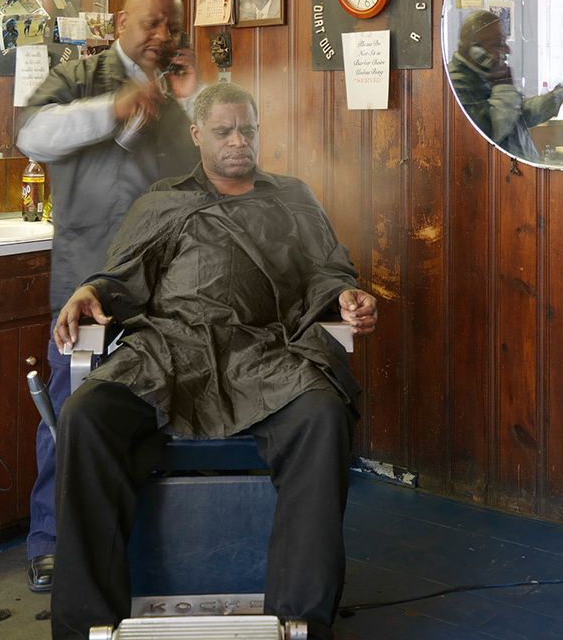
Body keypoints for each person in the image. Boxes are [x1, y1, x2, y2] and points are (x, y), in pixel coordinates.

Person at [50, 81, 377, 640]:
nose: (237, 142)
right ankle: (87, 625)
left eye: (247, 129)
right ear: (198, 134)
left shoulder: (292, 197)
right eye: (223, 131)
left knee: (322, 416)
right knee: (86, 415)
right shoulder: (164, 200)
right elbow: (122, 276)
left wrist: (346, 297)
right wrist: (91, 293)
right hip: (168, 352)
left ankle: (300, 618)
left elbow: (329, 270)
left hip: (264, 353)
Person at [15, 0, 200, 594]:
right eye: (151, 24)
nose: (162, 38)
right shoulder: (80, 75)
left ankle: (142, 541)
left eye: (171, 27)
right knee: (69, 412)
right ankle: (50, 543)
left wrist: (196, 100)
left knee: (149, 414)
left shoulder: (178, 88)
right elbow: (31, 134)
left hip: (162, 289)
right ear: (121, 21)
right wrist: (112, 108)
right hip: (85, 283)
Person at [447, 9, 563, 160]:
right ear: (477, 51)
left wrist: (556, 98)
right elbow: (487, 133)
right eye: (499, 44)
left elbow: (519, 114)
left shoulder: (483, 76)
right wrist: (503, 87)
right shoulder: (457, 84)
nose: (507, 50)